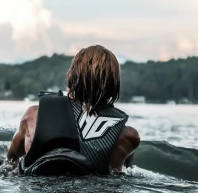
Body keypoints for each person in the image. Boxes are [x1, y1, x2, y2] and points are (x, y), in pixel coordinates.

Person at [8, 45, 139, 174]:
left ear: (72, 76)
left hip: (38, 188)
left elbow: (11, 160)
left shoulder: (33, 115)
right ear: (114, 84)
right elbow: (121, 173)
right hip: (91, 191)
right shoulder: (128, 136)